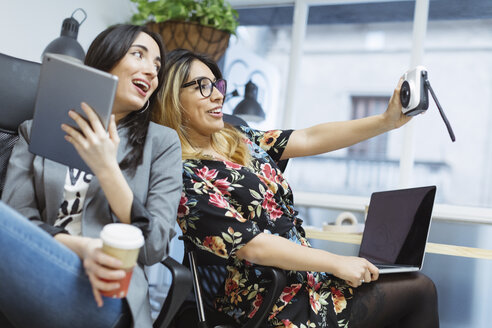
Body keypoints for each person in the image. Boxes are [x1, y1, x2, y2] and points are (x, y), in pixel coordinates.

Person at [154, 49, 439, 328]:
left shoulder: (237, 137)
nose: (218, 95)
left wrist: (385, 121)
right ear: (172, 97)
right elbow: (253, 246)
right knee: (420, 290)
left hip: (309, 281)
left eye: (217, 85)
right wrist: (336, 262)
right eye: (203, 87)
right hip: (270, 301)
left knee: (412, 285)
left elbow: (309, 137)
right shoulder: (182, 174)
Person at [0, 25, 182, 328]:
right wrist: (80, 248)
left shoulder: (162, 143)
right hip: (32, 268)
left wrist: (106, 167)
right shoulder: (36, 130)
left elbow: (153, 247)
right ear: (105, 58)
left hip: (104, 289)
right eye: (139, 55)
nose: (151, 72)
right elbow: (16, 220)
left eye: (157, 66)